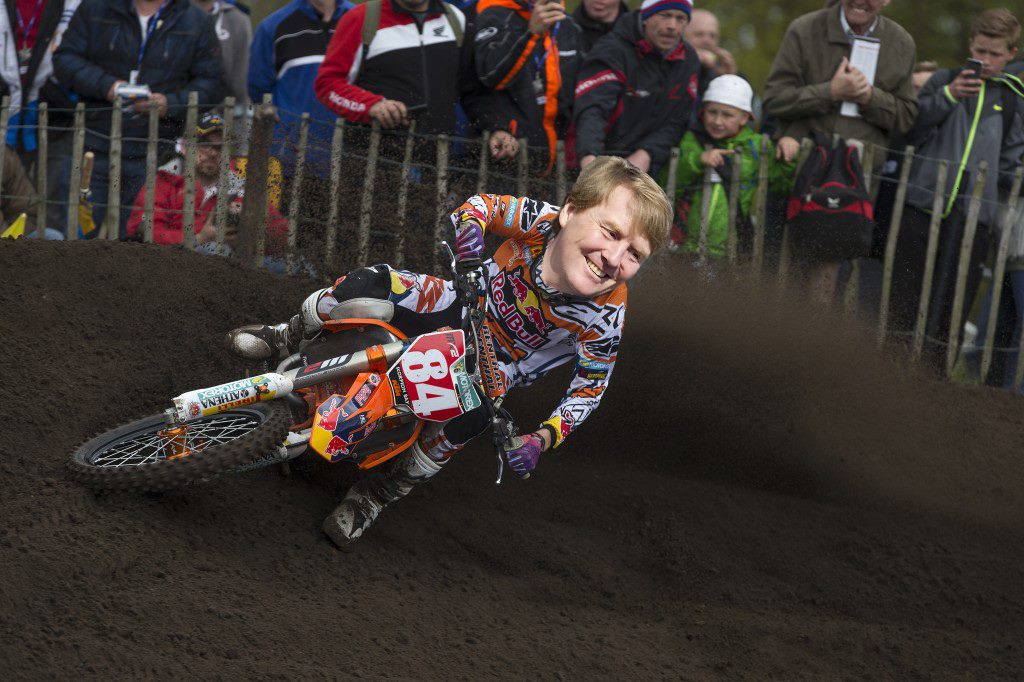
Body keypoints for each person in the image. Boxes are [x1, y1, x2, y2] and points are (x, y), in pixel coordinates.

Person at [224, 156, 671, 546]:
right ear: (570, 211)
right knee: (370, 282)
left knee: (469, 423)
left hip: (493, 364)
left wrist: (542, 438)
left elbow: (590, 388)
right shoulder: (540, 220)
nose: (614, 258)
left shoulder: (607, 315)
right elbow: (478, 207)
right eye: (610, 232)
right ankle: (288, 334)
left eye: (635, 254)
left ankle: (375, 495)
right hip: (458, 300)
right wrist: (472, 240)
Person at [889, 8, 1024, 373]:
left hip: (975, 220)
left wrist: (1002, 200)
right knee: (903, 299)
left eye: (995, 54)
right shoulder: (942, 81)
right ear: (970, 45)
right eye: (980, 50)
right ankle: (888, 375)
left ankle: (933, 381)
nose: (985, 60)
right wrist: (949, 95)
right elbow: (910, 129)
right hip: (922, 207)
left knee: (951, 307)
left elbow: (1011, 164)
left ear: (1012, 53)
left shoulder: (1012, 100)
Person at [762, 0, 916, 304]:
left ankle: (815, 347)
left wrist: (871, 97)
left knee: (832, 281)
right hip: (798, 171)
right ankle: (766, 342)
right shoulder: (804, 29)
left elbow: (906, 117)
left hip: (855, 185)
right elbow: (774, 100)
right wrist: (830, 92)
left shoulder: (901, 42)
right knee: (779, 269)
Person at [53, 0, 225, 238]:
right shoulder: (95, 8)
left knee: (141, 245)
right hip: (94, 145)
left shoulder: (195, 20)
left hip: (156, 153)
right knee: (75, 237)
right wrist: (107, 86)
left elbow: (213, 82)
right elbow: (65, 60)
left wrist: (170, 103)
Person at [312, 0, 516, 153]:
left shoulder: (454, 18)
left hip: (438, 163)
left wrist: (495, 128)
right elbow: (328, 84)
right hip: (372, 163)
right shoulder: (361, 19)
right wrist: (370, 105)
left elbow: (472, 90)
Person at [666, 75, 797, 258]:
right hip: (685, 245)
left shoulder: (757, 146)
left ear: (745, 118)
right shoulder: (692, 139)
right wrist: (698, 159)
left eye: (727, 115)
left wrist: (788, 157)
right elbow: (670, 181)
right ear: (703, 111)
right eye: (712, 112)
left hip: (729, 250)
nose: (718, 121)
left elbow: (781, 184)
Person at [124, 112, 287, 251]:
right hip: (168, 264)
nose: (213, 152)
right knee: (214, 249)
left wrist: (253, 220)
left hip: (233, 270)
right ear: (185, 147)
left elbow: (283, 235)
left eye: (220, 147)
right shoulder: (165, 180)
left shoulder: (240, 188)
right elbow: (141, 230)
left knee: (303, 268)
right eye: (205, 144)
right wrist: (199, 238)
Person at [573, 0, 699, 175]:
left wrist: (647, 152)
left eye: (681, 18)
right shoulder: (612, 49)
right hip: (592, 160)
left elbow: (678, 120)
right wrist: (589, 159)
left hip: (645, 168)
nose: (672, 26)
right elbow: (592, 109)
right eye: (664, 15)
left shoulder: (688, 60)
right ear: (646, 16)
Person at [474, 0, 582, 174]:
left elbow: (580, 92)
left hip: (560, 162)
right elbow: (490, 76)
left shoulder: (568, 24)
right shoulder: (493, 15)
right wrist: (530, 34)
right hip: (510, 157)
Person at [248, 0, 353, 177]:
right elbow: (257, 87)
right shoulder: (273, 26)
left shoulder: (360, 21)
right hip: (289, 157)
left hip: (350, 156)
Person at [192, 0, 251, 107]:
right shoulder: (172, 16)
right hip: (179, 110)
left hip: (226, 112)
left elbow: (240, 79)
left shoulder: (238, 20)